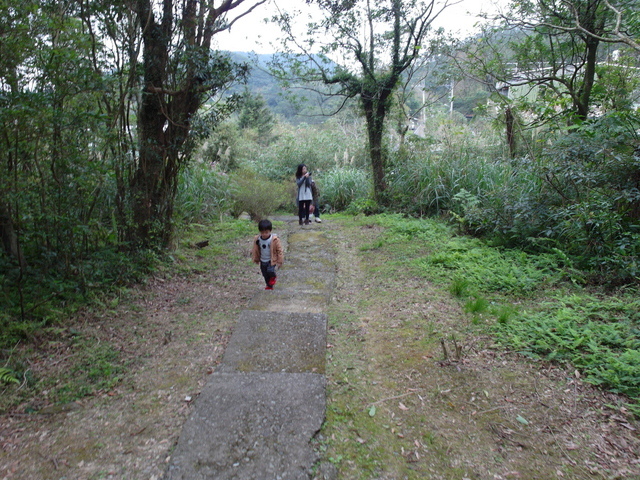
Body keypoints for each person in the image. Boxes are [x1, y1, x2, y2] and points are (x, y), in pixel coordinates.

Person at [251, 219, 284, 290]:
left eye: (266, 232)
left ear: (270, 231)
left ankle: (273, 277)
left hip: (271, 260)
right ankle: (269, 286)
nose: (264, 234)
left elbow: (279, 250)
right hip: (263, 260)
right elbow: (255, 249)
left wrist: (280, 260)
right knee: (265, 274)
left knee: (270, 271)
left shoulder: (274, 240)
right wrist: (256, 258)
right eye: (262, 232)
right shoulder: (258, 239)